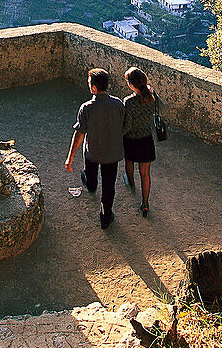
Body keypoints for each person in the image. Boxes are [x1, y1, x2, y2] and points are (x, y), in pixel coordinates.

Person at [65, 68, 125, 228]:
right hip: (112, 153)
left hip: (92, 152)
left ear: (94, 88)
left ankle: (90, 185)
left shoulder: (86, 108)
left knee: (90, 174)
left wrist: (70, 158)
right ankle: (105, 216)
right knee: (109, 185)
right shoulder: (118, 104)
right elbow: (124, 127)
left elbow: (79, 134)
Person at [122, 66, 158, 217]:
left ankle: (130, 182)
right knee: (145, 173)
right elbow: (160, 106)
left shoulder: (129, 102)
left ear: (131, 84)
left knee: (129, 162)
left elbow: (127, 125)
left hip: (131, 139)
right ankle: (145, 204)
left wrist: (119, 135)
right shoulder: (152, 96)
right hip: (146, 139)